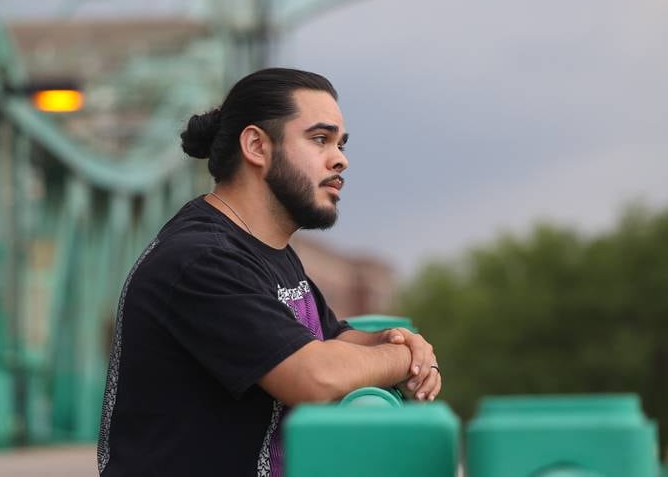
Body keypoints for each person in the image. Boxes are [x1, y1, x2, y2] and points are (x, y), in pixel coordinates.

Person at [97, 68, 441, 477]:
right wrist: (401, 359)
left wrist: (394, 340)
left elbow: (329, 336)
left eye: (341, 144)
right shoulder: (201, 260)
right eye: (320, 139)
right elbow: (313, 375)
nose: (341, 159)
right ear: (257, 146)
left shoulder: (267, 250)